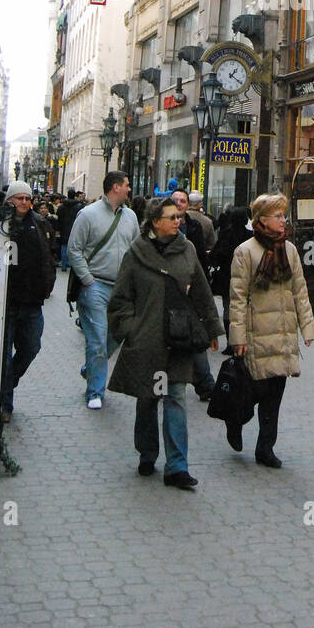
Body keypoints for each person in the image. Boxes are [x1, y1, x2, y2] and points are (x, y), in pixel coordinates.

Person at [107, 199, 222, 490]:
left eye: (179, 216)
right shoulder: (136, 253)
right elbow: (121, 298)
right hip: (147, 340)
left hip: (178, 338)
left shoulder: (187, 250)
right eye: (171, 217)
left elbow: (202, 292)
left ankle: (177, 466)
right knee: (148, 398)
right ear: (155, 222)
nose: (178, 221)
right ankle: (147, 452)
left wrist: (211, 329)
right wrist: (130, 329)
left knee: (176, 397)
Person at [228, 192, 314, 467]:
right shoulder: (245, 251)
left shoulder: (289, 249)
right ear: (261, 220)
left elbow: (299, 290)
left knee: (275, 393)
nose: (282, 220)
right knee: (253, 391)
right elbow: (237, 297)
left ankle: (266, 448)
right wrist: (237, 337)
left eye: (283, 215)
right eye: (277, 216)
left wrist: (307, 328)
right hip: (256, 333)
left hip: (283, 332)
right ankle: (235, 419)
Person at [68, 171, 139, 409]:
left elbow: (136, 250)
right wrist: (87, 279)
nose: (129, 189)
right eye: (127, 185)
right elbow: (74, 249)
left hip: (121, 288)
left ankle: (91, 368)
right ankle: (95, 393)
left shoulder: (130, 216)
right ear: (116, 187)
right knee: (97, 340)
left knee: (118, 335)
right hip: (95, 285)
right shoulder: (87, 215)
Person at [0, 181, 56, 421]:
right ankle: (5, 406)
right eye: (18, 198)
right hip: (7, 302)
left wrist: (48, 284)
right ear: (9, 201)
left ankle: (7, 385)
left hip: (33, 300)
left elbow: (48, 255)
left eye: (26, 198)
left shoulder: (40, 223)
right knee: (3, 356)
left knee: (31, 347)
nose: (23, 202)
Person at [169, 190, 214, 401]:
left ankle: (206, 385)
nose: (179, 204)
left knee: (195, 338)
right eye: (175, 201)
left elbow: (200, 265)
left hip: (190, 296)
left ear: (188, 205)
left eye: (182, 201)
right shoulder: (154, 234)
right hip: (165, 300)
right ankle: (160, 386)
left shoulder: (194, 228)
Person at [210, 205, 252, 342]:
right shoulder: (250, 236)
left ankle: (230, 341)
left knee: (228, 306)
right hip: (246, 277)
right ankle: (242, 337)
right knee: (244, 306)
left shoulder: (225, 234)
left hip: (227, 276)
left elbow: (218, 253)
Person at [57, 188, 84, 270]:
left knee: (64, 246)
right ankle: (72, 264)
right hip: (75, 227)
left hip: (63, 227)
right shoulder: (79, 206)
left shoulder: (61, 206)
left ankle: (64, 265)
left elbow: (59, 217)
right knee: (74, 247)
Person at [187, 190, 216, 255]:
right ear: (200, 204)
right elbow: (211, 244)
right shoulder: (207, 222)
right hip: (200, 257)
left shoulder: (180, 217)